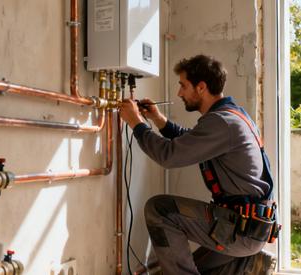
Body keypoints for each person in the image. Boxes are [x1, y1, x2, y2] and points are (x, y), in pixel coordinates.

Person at [119, 54, 277, 274]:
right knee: (197, 269)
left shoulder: (221, 122)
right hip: (249, 227)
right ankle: (247, 265)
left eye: (183, 86)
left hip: (239, 230)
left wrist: (136, 123)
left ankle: (244, 261)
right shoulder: (233, 116)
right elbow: (192, 140)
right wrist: (158, 120)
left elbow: (169, 156)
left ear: (201, 87)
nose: (179, 93)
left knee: (160, 209)